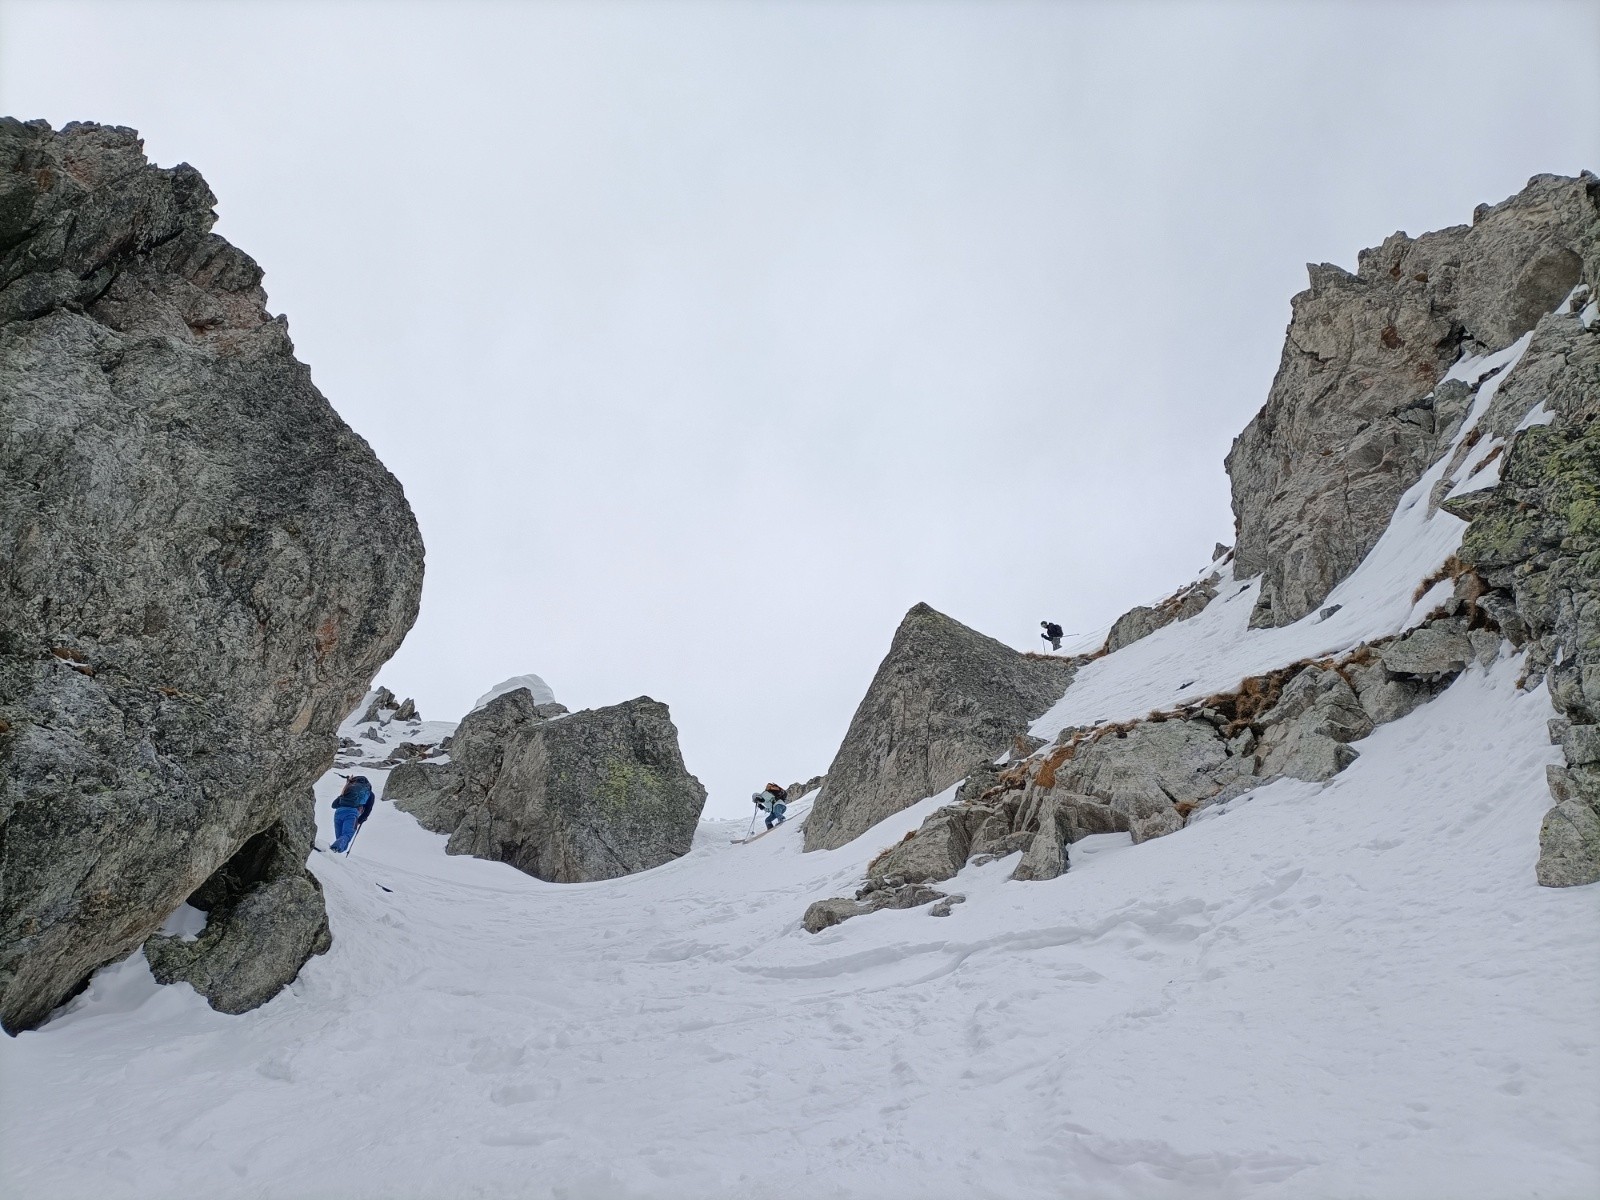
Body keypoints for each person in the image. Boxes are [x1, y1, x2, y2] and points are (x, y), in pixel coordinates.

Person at [331, 775, 375, 853]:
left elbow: (334, 805)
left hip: (338, 813)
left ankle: (334, 851)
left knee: (340, 838)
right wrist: (359, 821)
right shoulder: (369, 793)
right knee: (347, 835)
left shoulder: (349, 788)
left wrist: (343, 799)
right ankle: (334, 849)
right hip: (352, 814)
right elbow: (367, 810)